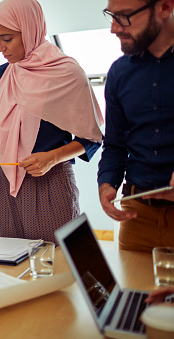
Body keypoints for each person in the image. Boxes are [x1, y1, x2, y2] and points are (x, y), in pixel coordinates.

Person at [0, 0, 104, 244]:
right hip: (8, 183)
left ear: (30, 30)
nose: (0, 48)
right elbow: (0, 133)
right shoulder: (0, 76)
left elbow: (91, 139)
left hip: (51, 182)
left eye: (7, 38)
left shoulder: (66, 73)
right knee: (15, 264)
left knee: (57, 264)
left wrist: (53, 157)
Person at [98, 0, 174, 252]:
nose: (114, 28)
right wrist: (107, 183)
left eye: (125, 16)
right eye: (112, 15)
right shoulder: (119, 73)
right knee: (132, 291)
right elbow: (114, 144)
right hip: (136, 216)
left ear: (164, 7)